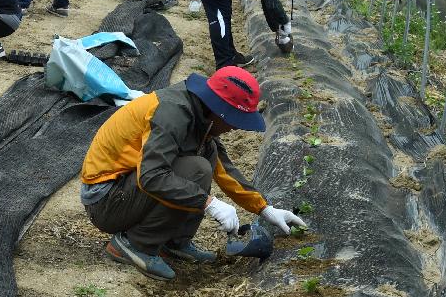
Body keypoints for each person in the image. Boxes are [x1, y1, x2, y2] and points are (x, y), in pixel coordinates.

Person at [80, 66, 306, 281]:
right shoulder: (172, 113)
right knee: (196, 170)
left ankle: (174, 243)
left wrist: (265, 209)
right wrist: (209, 203)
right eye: (234, 120)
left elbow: (224, 169)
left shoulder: (201, 115)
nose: (235, 127)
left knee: (205, 160)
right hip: (106, 199)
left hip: (126, 191)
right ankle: (136, 244)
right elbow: (151, 176)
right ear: (219, 110)